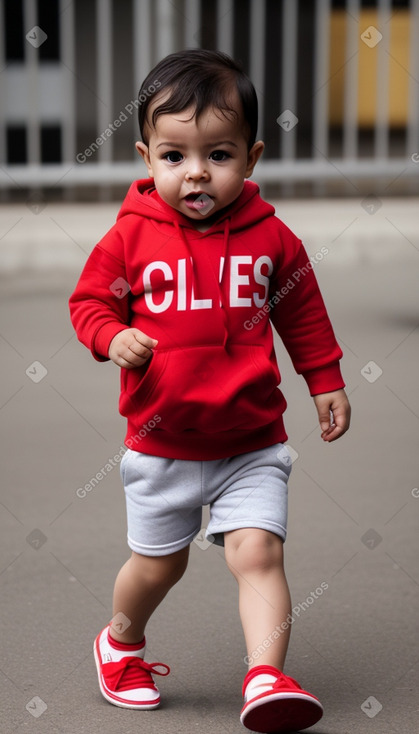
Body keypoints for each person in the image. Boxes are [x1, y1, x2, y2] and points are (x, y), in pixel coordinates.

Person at [69, 48, 351, 733]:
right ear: (146, 158)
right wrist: (112, 337)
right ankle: (121, 644)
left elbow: (303, 315)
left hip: (251, 440)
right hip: (162, 442)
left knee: (257, 552)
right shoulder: (130, 238)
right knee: (157, 566)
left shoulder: (272, 240)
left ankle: (265, 676)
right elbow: (88, 304)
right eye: (174, 156)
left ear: (250, 159)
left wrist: (325, 381)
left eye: (218, 154)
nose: (196, 172)